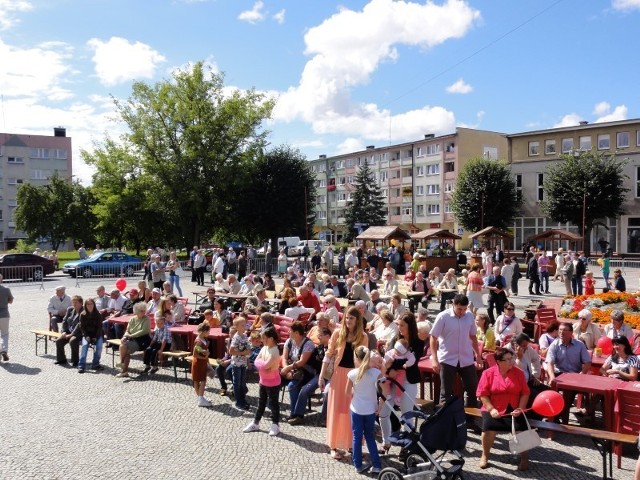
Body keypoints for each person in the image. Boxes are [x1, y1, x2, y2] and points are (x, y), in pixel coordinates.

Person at [319, 306, 368, 459]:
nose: (347, 321)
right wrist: (321, 376)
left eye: (351, 318)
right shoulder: (337, 333)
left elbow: (364, 360)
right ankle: (333, 446)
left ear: (357, 320)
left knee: (351, 411)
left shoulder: (363, 337)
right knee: (335, 409)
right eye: (346, 318)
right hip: (338, 374)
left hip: (354, 376)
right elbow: (328, 355)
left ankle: (351, 444)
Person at [379, 311, 426, 454]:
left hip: (408, 380)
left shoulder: (417, 342)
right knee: (384, 412)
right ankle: (386, 441)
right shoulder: (395, 339)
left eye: (402, 325)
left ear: (410, 326)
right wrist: (390, 370)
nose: (400, 328)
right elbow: (387, 358)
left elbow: (412, 362)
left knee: (407, 414)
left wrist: (395, 366)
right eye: (398, 325)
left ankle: (407, 446)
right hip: (392, 380)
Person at [477, 347, 530, 471]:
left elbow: (525, 393)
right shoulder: (488, 373)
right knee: (488, 429)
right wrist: (491, 409)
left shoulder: (519, 373)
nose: (511, 361)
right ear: (499, 362)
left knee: (522, 430)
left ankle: (525, 458)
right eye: (507, 359)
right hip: (494, 407)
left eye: (512, 358)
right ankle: (485, 455)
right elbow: (482, 394)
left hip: (514, 408)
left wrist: (521, 408)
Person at [429, 294, 482, 406]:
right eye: (459, 309)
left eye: (464, 309)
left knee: (472, 390)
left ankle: (470, 421)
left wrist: (478, 355)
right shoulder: (443, 316)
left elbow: (473, 336)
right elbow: (433, 337)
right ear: (453, 304)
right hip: (447, 359)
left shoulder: (469, 316)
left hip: (466, 358)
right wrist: (434, 358)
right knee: (446, 393)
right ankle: (446, 421)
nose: (462, 312)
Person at [347, 346, 383, 475]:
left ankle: (358, 465)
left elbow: (347, 393)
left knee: (357, 437)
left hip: (356, 409)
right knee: (370, 437)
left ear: (356, 358)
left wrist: (355, 391)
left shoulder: (352, 374)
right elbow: (383, 393)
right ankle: (377, 465)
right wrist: (379, 407)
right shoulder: (376, 373)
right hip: (370, 410)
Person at [243, 326, 282, 436]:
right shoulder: (265, 348)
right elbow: (256, 361)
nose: (262, 340)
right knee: (261, 403)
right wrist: (262, 365)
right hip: (263, 380)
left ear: (271, 338)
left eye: (264, 338)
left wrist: (262, 365)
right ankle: (255, 423)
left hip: (273, 381)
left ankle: (275, 425)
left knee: (274, 404)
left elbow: (265, 365)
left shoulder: (274, 351)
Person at [281, 321, 318, 425]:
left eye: (290, 330)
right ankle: (273, 409)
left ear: (297, 333)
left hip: (305, 371)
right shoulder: (289, 341)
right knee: (273, 381)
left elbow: (302, 362)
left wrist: (289, 368)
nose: (288, 332)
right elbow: (284, 357)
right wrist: (286, 369)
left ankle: (296, 414)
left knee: (292, 386)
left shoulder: (308, 343)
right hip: (291, 369)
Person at [116, 302, 151, 378]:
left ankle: (122, 366)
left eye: (144, 310)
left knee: (125, 348)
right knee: (124, 346)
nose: (143, 312)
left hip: (142, 340)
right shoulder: (132, 319)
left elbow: (144, 331)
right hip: (131, 339)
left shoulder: (146, 319)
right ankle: (124, 370)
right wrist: (125, 336)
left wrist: (131, 335)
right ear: (136, 311)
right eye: (141, 311)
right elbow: (127, 330)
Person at [383, 338, 415, 406]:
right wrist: (389, 360)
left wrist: (407, 364)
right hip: (389, 370)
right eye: (396, 350)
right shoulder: (392, 351)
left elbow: (412, 359)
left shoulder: (406, 353)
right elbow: (385, 357)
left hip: (400, 371)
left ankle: (398, 396)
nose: (397, 353)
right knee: (386, 381)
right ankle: (387, 394)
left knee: (399, 383)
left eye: (399, 352)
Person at [230, 316, 251, 410]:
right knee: (237, 383)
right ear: (236, 327)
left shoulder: (245, 336)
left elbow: (248, 348)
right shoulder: (236, 337)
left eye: (245, 324)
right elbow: (231, 351)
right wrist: (243, 353)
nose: (244, 326)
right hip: (236, 363)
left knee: (242, 383)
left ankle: (242, 399)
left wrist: (247, 358)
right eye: (242, 325)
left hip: (243, 363)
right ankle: (239, 402)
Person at [55, 295, 83, 367]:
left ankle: (75, 360)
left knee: (73, 341)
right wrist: (64, 331)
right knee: (59, 340)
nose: (74, 304)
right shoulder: (70, 309)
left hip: (79, 333)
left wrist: (71, 334)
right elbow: (64, 321)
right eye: (73, 302)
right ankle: (61, 359)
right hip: (68, 332)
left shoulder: (83, 312)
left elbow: (80, 325)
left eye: (76, 302)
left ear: (81, 303)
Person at [77, 298, 103, 373]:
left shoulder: (98, 315)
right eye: (88, 304)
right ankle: (81, 365)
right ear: (85, 305)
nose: (90, 305)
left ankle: (95, 364)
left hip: (97, 334)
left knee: (99, 346)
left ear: (94, 305)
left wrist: (96, 337)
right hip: (87, 335)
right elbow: (82, 327)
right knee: (84, 346)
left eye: (91, 304)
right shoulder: (82, 314)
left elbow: (99, 327)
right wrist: (86, 336)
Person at [192, 321, 212, 407]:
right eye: (208, 331)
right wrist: (205, 357)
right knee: (202, 380)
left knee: (197, 380)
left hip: (201, 363)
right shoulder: (199, 341)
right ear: (204, 331)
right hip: (199, 363)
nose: (209, 333)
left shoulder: (203, 339)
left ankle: (201, 397)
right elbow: (195, 354)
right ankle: (201, 399)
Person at [0, 274, 13, 362]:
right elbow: (11, 301)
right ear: (1, 279)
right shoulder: (6, 289)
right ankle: (4, 351)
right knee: (4, 334)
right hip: (4, 314)